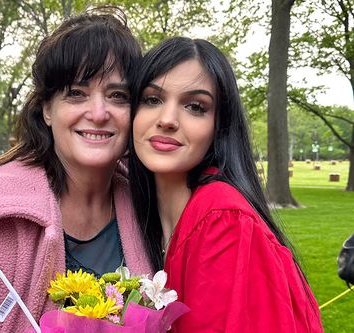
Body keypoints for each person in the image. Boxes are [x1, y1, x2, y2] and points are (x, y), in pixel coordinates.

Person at [0, 8, 152, 332]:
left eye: (117, 96)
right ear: (46, 110)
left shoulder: (150, 207)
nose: (98, 113)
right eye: (76, 94)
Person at [128, 36, 323, 332]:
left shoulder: (224, 222)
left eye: (195, 106)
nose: (167, 119)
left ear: (219, 127)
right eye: (152, 99)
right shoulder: (140, 217)